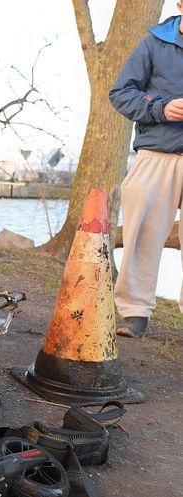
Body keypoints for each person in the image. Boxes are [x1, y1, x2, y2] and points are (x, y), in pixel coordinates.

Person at [109, 6, 183, 338]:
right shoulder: (153, 43)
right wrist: (160, 108)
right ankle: (135, 312)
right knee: (143, 232)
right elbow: (120, 93)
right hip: (157, 152)